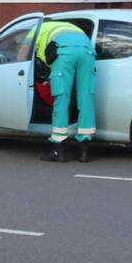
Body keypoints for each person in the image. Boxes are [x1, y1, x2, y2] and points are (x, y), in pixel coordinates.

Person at [18, 20, 96, 163]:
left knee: (61, 99)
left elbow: (23, 54)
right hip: (87, 50)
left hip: (64, 52)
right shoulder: (71, 26)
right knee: (86, 99)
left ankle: (58, 150)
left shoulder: (37, 28)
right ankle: (84, 151)